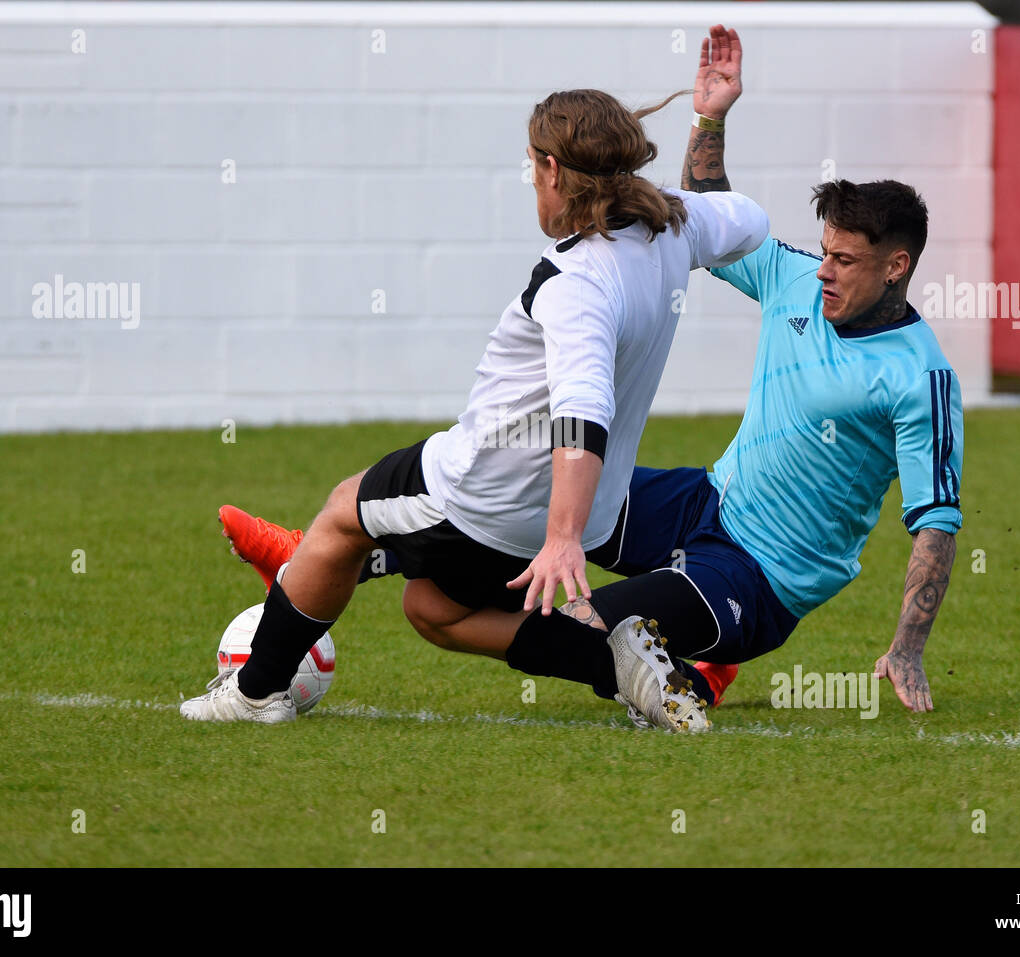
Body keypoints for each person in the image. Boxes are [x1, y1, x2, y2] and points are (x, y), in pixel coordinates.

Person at [218, 25, 963, 733]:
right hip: (707, 500)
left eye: (846, 260)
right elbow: (714, 215)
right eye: (824, 252)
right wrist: (709, 118)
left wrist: (907, 645)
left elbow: (936, 523)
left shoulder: (920, 377)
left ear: (896, 266)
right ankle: (336, 552)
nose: (824, 270)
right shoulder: (795, 279)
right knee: (462, 575)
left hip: (764, 574)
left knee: (588, 622)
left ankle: (675, 671)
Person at [181, 86, 771, 723]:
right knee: (432, 609)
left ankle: (256, 693)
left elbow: (583, 410)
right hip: (582, 508)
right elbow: (751, 222)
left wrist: (563, 541)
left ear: (550, 169)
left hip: (481, 494)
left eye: (532, 167)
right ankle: (622, 661)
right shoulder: (673, 224)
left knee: (344, 514)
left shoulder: (576, 279)